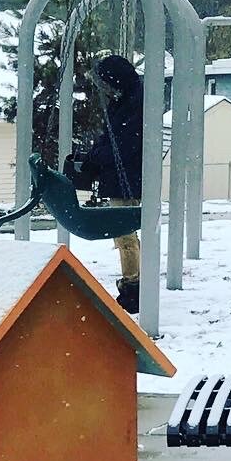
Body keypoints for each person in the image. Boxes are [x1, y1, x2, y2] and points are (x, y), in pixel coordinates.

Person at [64, 54, 144, 312]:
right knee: (124, 233)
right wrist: (92, 157)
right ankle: (133, 281)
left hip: (126, 177)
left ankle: (134, 285)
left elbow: (123, 146)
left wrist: (94, 158)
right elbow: (110, 139)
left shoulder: (133, 106)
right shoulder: (125, 101)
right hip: (120, 175)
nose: (105, 91)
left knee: (124, 234)